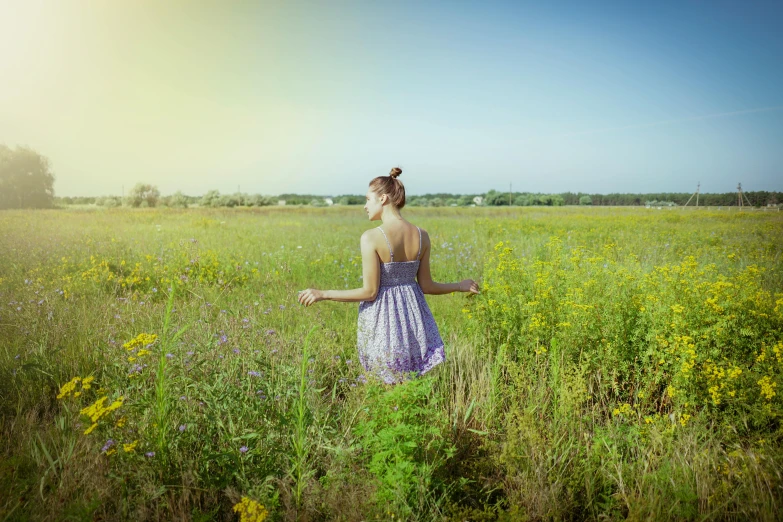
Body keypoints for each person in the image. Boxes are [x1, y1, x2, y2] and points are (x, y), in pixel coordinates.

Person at [297, 167, 480, 384]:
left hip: (383, 321)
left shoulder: (372, 237)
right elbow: (427, 286)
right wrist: (460, 285)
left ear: (382, 198)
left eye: (368, 199)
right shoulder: (422, 235)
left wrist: (323, 293)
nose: (365, 206)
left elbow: (370, 292)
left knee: (386, 385)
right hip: (414, 319)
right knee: (410, 385)